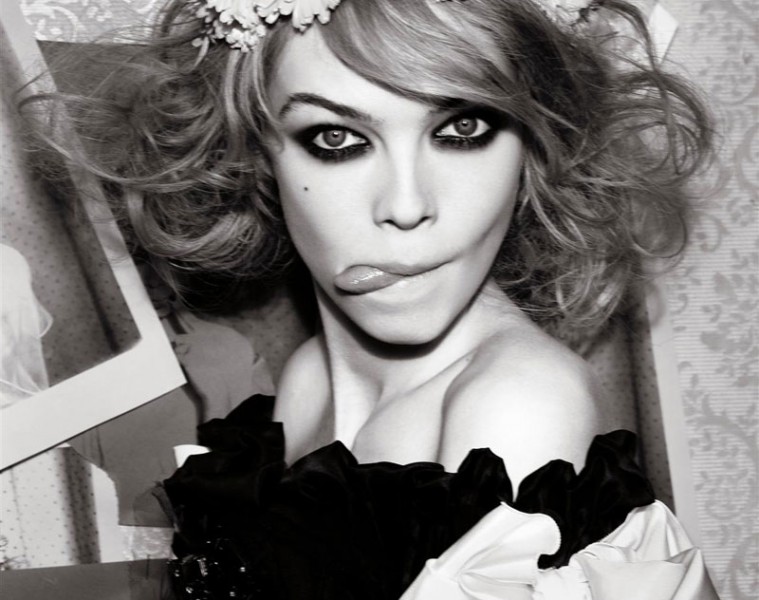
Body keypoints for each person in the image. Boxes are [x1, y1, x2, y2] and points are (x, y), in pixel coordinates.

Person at [26, 0, 717, 597]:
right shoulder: (308, 380)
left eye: (464, 130)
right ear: (254, 155)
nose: (407, 205)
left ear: (535, 147)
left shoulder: (516, 403)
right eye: (337, 139)